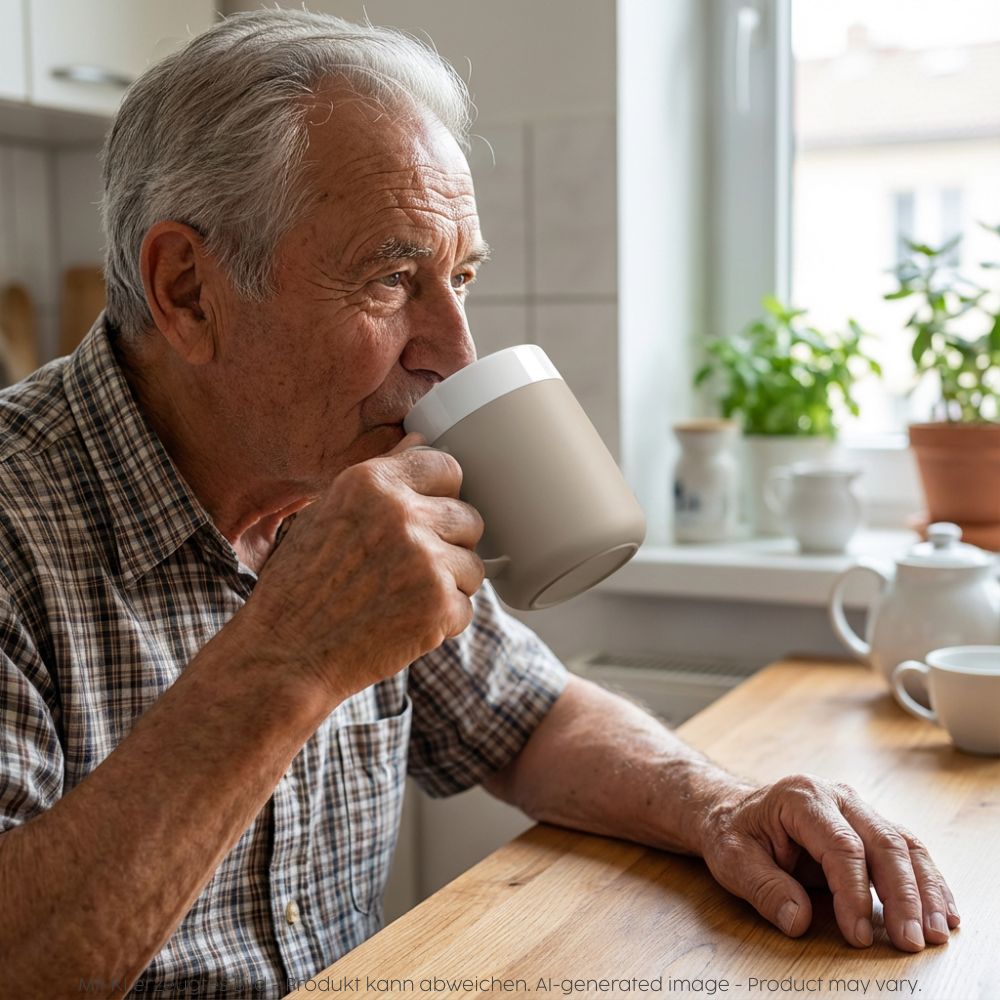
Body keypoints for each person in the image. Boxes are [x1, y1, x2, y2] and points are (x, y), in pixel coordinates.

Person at [0, 9, 958, 998]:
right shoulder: (14, 521)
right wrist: (289, 657)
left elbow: (530, 720)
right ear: (189, 290)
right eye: (389, 277)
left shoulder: (335, 475)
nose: (454, 351)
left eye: (458, 276)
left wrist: (717, 806)